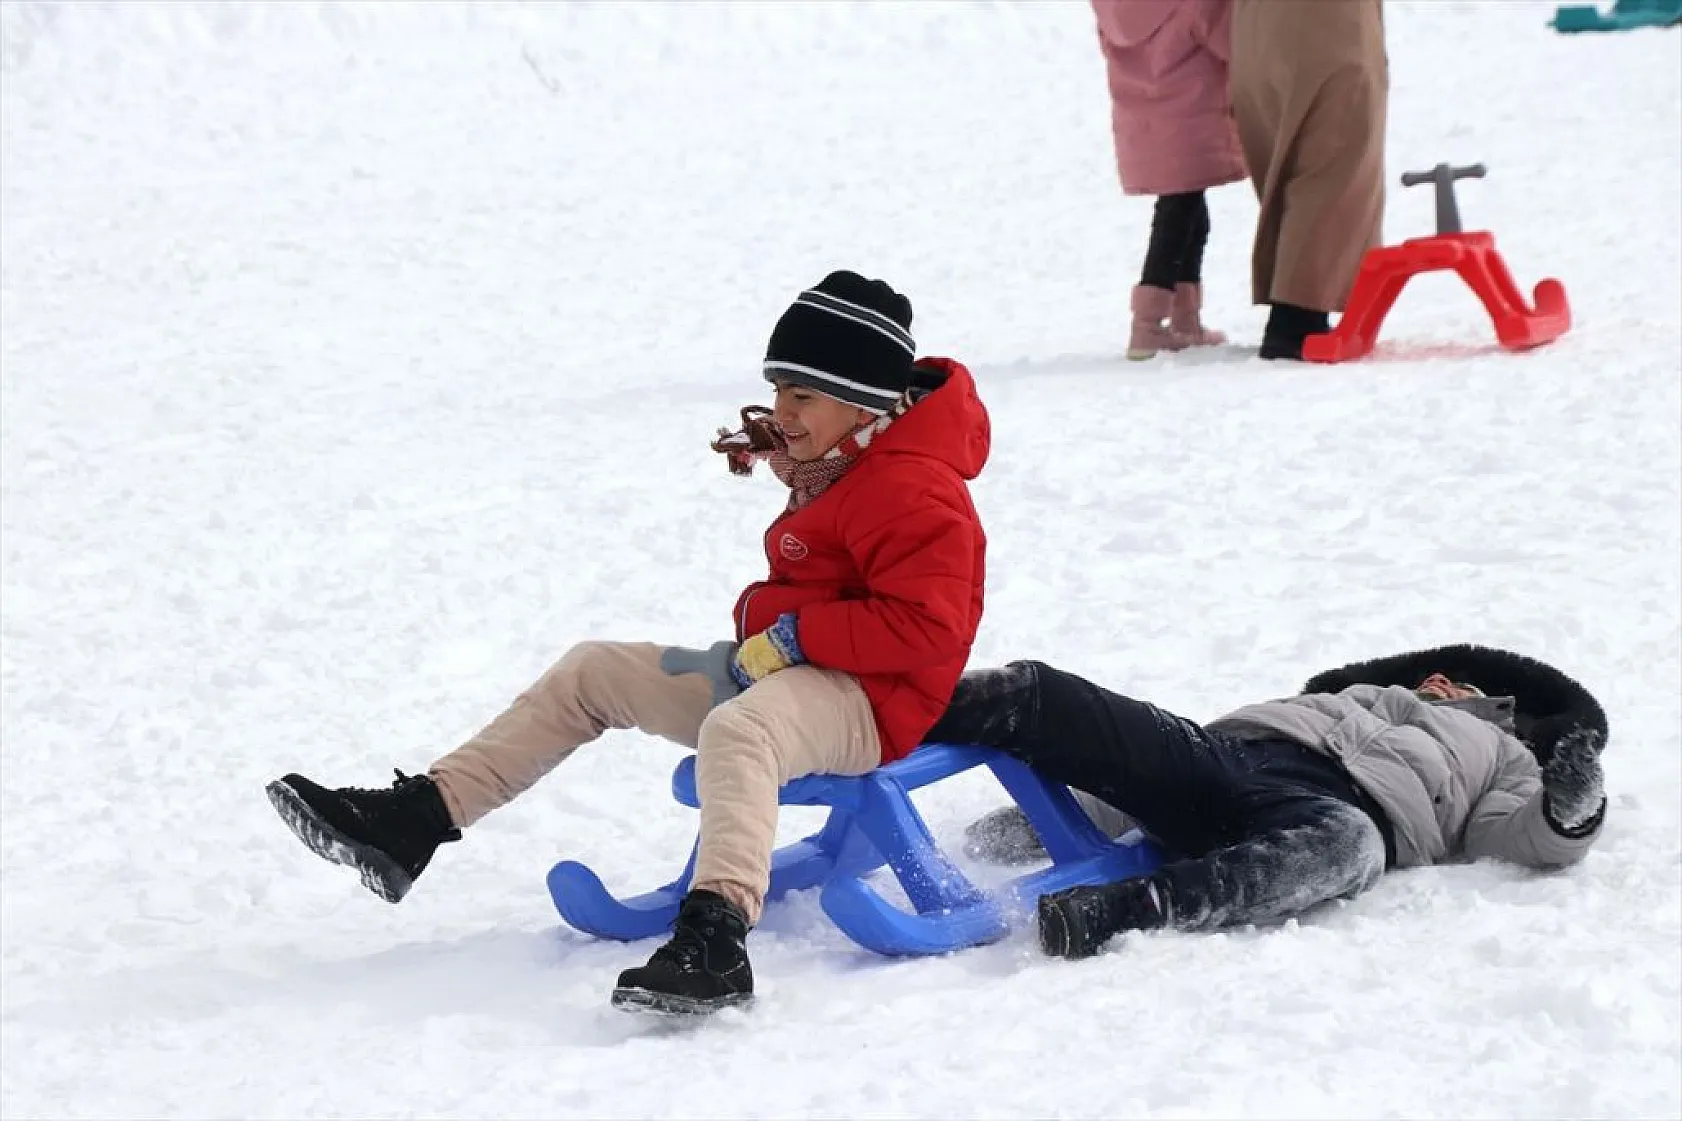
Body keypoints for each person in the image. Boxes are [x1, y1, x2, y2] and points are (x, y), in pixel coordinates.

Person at [265, 270, 992, 1015]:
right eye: (777, 389)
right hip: (786, 669)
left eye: (800, 397)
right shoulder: (850, 456)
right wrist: (786, 466)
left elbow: (928, 625)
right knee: (595, 671)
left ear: (862, 401)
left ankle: (717, 936)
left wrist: (796, 635)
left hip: (871, 702)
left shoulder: (916, 487)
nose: (781, 411)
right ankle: (416, 818)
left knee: (740, 732)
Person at [933, 643, 1608, 958]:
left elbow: (1518, 833)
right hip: (1239, 756)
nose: (1440, 682)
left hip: (1336, 811)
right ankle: (906, 713)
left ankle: (1137, 906)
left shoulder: (1507, 757)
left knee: (1354, 849)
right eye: (1435, 674)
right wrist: (1061, 820)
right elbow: (1169, 763)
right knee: (1054, 691)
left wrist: (1570, 807)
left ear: (1505, 713)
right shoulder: (1356, 695)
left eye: (1462, 685)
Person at [1228, 0, 1389, 360]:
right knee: (1333, 168)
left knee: (1290, 168)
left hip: (1255, 39)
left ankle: (1295, 303)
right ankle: (1297, 316)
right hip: (1330, 35)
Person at [1090, 0, 1248, 360]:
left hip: (1143, 118)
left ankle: (1183, 318)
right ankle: (1147, 324)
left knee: (1190, 214)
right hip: (1189, 117)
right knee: (1177, 217)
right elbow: (1234, 43)